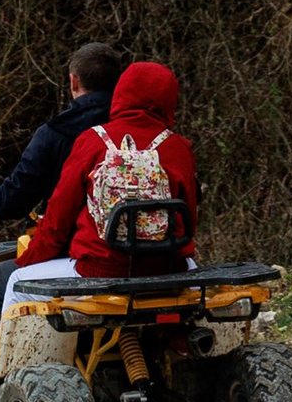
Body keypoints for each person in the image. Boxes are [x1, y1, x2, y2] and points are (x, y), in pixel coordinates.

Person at [0, 41, 125, 348]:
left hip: (82, 254)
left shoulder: (61, 135)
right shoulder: (143, 131)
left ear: (73, 81)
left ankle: (3, 381)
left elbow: (14, 202)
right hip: (150, 252)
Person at [19, 57, 199, 284]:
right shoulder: (179, 148)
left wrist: (29, 260)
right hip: (169, 267)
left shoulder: (92, 141)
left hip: (98, 267)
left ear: (121, 93)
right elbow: (189, 222)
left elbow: (58, 220)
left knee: (16, 281)